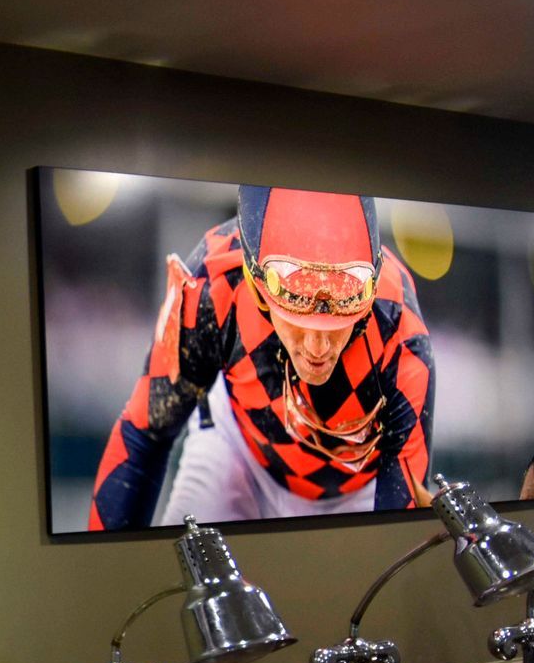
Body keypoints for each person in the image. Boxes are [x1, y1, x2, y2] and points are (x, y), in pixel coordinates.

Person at [89, 186, 435, 529]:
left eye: (336, 325)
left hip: (360, 488)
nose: (317, 348)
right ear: (256, 286)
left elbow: (402, 524)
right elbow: (144, 435)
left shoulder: (401, 330)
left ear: (368, 294)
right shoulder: (211, 282)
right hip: (236, 452)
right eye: (297, 318)